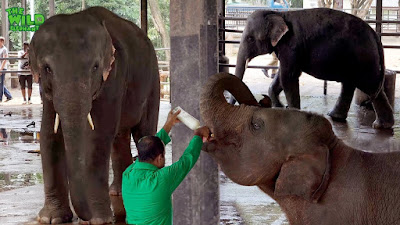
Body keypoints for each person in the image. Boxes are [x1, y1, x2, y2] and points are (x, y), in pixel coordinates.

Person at [122, 109, 211, 225]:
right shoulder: (161, 179)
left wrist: (169, 124)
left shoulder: (127, 174)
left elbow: (149, 149)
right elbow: (186, 160)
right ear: (159, 158)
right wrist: (199, 135)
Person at [0, 36, 12, 102]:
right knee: (0, 83)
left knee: (1, 83)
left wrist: (1, 69)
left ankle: (0, 98)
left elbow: (5, 59)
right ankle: (9, 95)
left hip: (2, 68)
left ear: (2, 42)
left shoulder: (4, 49)